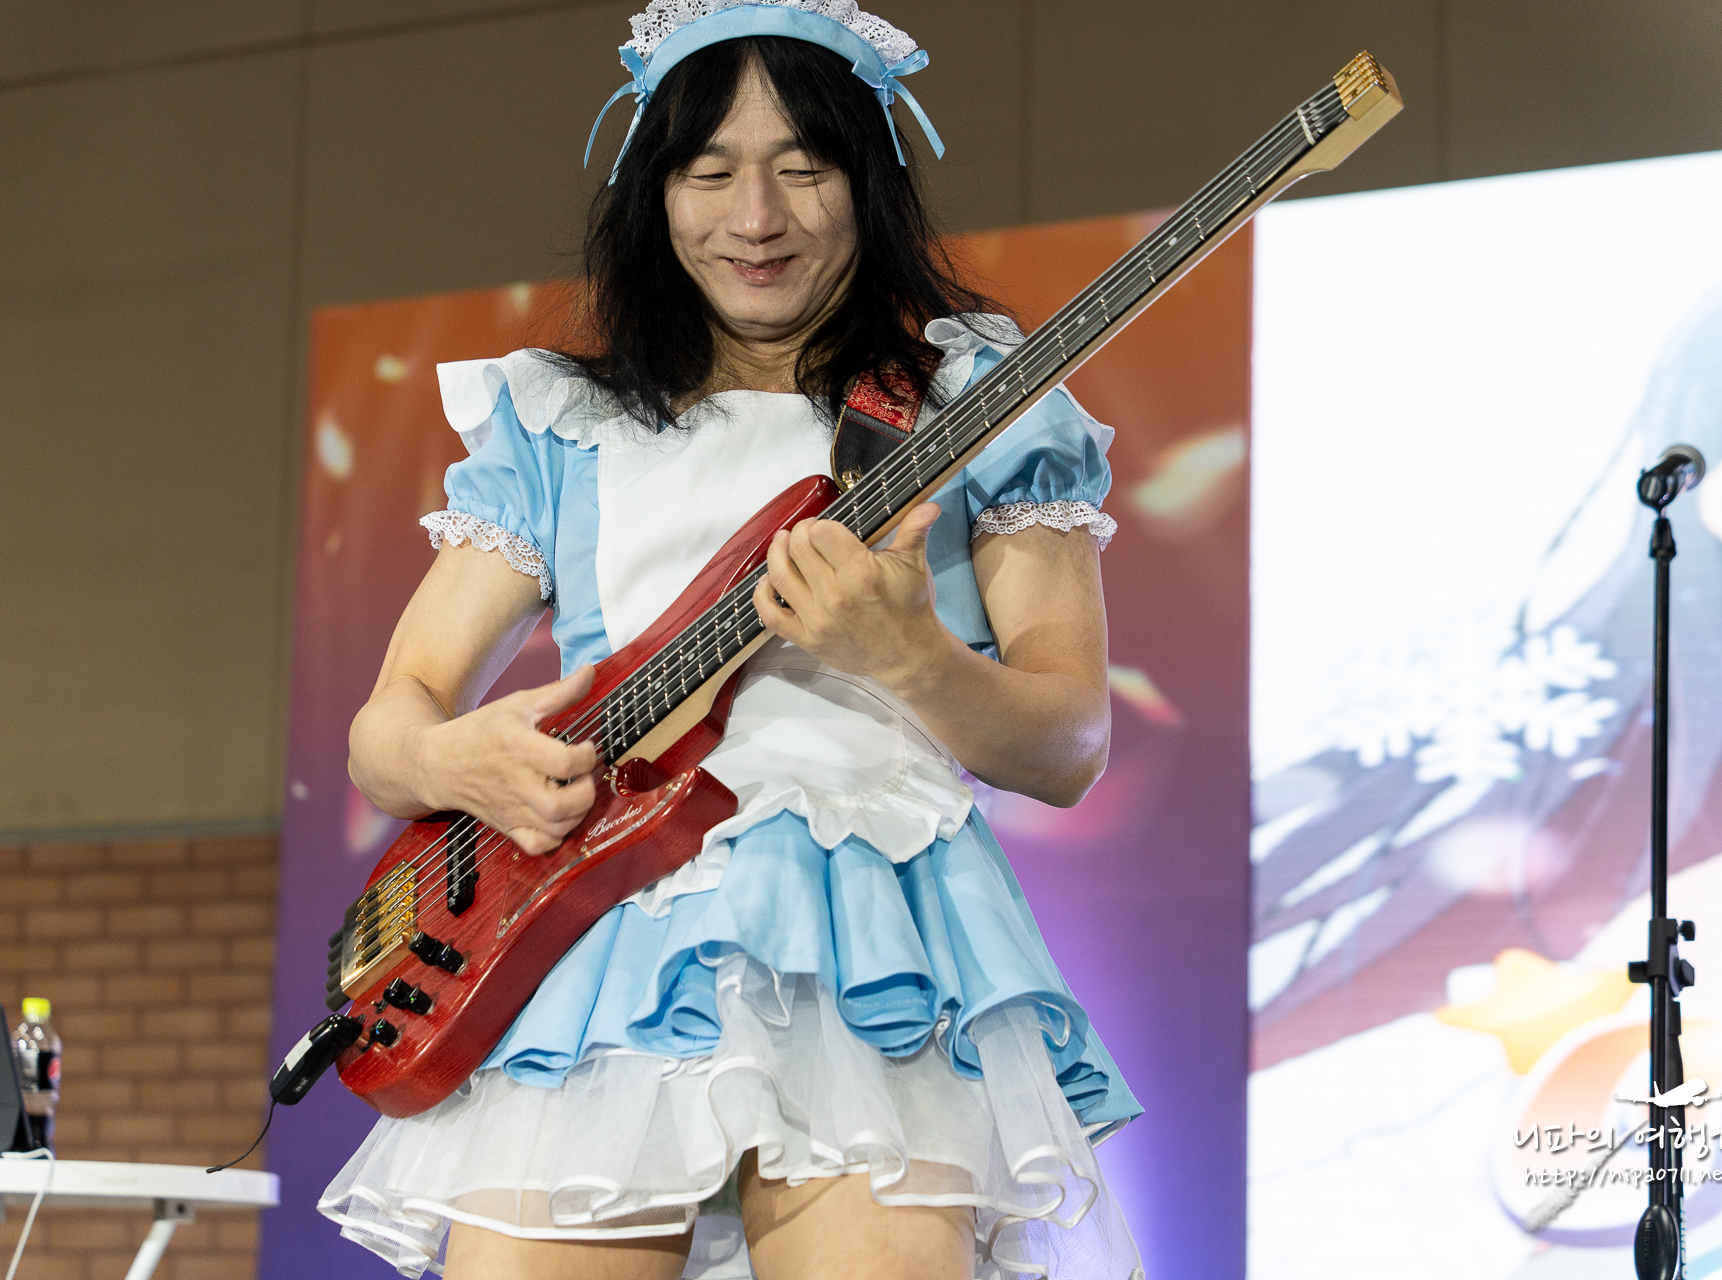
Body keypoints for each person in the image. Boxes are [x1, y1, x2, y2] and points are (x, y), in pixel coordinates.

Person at [321, 3, 1142, 1277]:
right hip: (592, 928)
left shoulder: (974, 401)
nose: (754, 217)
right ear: (654, 192)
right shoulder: (562, 422)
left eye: (802, 168)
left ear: (868, 182)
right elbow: (390, 723)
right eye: (708, 172)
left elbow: (1070, 741)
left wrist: (911, 658)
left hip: (876, 932)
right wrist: (452, 759)